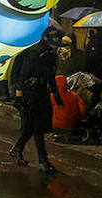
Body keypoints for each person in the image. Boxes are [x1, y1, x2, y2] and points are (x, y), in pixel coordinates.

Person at [8, 28, 65, 174]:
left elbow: (50, 77)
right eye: (55, 38)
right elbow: (23, 76)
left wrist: (57, 96)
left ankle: (17, 150)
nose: (57, 42)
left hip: (41, 94)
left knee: (30, 129)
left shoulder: (50, 55)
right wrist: (19, 97)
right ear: (46, 38)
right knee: (36, 129)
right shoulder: (34, 53)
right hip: (29, 95)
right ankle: (43, 162)